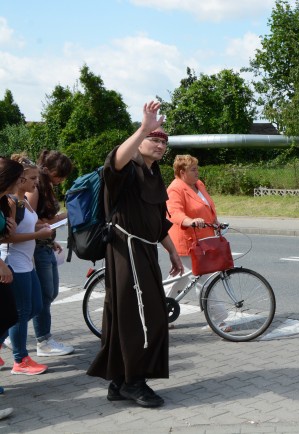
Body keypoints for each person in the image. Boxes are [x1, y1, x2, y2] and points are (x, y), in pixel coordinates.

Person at [87, 101, 183, 408]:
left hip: (145, 250)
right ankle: (133, 381)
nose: (160, 143)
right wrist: (143, 126)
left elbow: (159, 221)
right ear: (139, 139)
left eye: (163, 140)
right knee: (142, 316)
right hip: (124, 251)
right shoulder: (125, 170)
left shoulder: (155, 174)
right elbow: (114, 160)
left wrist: (172, 252)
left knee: (128, 316)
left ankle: (119, 382)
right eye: (154, 138)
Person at [0, 155, 53, 375]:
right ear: (17, 179)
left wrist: (42, 231)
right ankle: (20, 360)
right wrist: (38, 234)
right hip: (14, 262)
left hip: (26, 262)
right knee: (20, 313)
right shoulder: (11, 202)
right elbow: (7, 238)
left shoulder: (21, 202)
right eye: (30, 178)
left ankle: (6, 343)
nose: (34, 183)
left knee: (36, 306)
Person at [25, 150, 74, 357]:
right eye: (59, 176)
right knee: (45, 295)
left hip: (45, 245)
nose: (61, 181)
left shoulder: (45, 187)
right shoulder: (35, 189)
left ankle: (14, 331)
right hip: (36, 248)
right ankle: (43, 341)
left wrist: (52, 239)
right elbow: (29, 220)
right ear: (51, 171)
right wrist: (58, 220)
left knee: (50, 292)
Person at [165, 154, 219, 297]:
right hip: (186, 241)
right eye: (193, 170)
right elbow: (174, 212)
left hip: (202, 240)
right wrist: (189, 221)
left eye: (197, 169)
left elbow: (206, 206)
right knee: (203, 279)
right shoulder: (175, 188)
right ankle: (219, 318)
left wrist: (215, 221)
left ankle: (158, 309)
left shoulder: (198, 185)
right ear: (182, 172)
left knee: (178, 280)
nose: (197, 172)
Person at [0, 156, 24, 421]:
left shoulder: (4, 201)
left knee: (8, 317)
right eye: (19, 178)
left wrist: (8, 230)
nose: (21, 184)